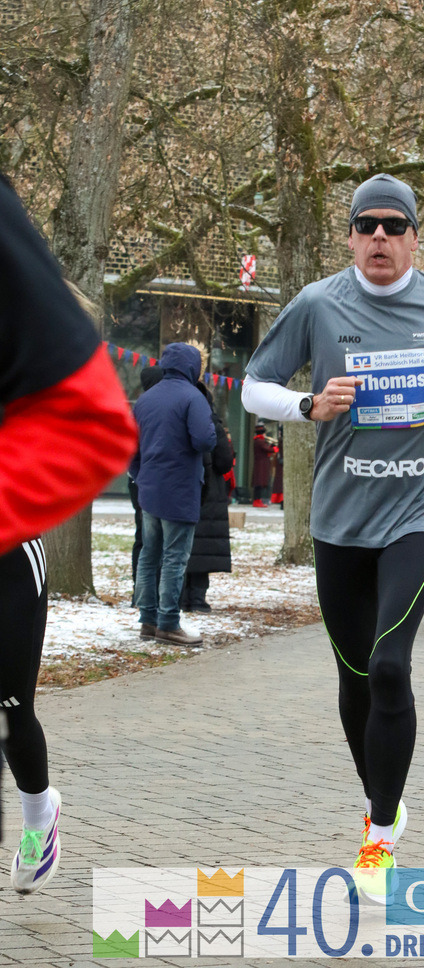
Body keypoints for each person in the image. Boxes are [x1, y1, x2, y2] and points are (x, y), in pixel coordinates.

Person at [241, 172, 424, 902]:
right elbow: (252, 385)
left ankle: (376, 838)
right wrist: (308, 403)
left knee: (390, 668)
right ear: (349, 236)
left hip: (423, 508)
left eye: (393, 225)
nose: (378, 236)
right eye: (365, 225)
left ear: (413, 237)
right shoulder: (317, 303)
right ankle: (387, 798)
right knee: (353, 678)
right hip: (341, 517)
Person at [0, 173, 138, 892]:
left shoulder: (35, 321)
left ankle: (38, 810)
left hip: (8, 547)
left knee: (11, 704)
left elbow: (84, 426)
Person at [130, 343, 216, 646]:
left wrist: (139, 475)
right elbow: (204, 440)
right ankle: (169, 623)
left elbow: (131, 447)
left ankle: (147, 621)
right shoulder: (193, 397)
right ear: (192, 366)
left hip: (149, 489)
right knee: (174, 559)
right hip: (179, 488)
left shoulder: (145, 399)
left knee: (149, 556)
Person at [181, 382, 234, 612]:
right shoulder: (213, 423)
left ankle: (181, 597)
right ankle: (198, 599)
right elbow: (224, 461)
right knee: (203, 548)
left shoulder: (178, 420)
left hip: (182, 488)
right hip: (210, 492)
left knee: (181, 546)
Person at [129, 365, 165, 588]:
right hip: (147, 479)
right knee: (150, 538)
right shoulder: (151, 408)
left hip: (139, 478)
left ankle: (140, 589)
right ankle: (145, 589)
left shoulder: (140, 407)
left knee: (143, 536)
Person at [252, 421, 276, 507]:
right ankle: (257, 501)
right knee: (259, 484)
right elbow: (268, 449)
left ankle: (258, 500)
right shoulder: (260, 441)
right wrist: (274, 447)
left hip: (261, 464)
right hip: (261, 465)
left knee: (260, 484)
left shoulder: (259, 440)